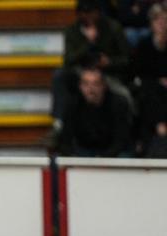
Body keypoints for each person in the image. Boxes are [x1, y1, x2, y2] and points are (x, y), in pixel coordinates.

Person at [51, 0, 131, 134]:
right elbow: (68, 61)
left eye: (90, 13)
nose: (87, 17)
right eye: (83, 13)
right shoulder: (72, 30)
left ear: (98, 12)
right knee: (60, 75)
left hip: (107, 73)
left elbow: (128, 59)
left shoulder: (113, 27)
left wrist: (109, 62)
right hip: (81, 73)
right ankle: (59, 123)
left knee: (125, 97)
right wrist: (88, 44)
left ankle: (128, 133)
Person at [58, 65, 133, 157]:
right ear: (80, 86)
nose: (90, 89)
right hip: (84, 150)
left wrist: (104, 157)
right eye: (86, 84)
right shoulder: (73, 104)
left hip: (114, 151)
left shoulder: (118, 103)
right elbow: (66, 137)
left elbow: (121, 138)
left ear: (103, 86)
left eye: (95, 84)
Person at [135, 3, 167, 157]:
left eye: (165, 20)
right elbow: (140, 73)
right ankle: (158, 129)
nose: (162, 24)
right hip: (151, 88)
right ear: (152, 24)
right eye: (158, 20)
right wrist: (159, 82)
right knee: (149, 92)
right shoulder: (145, 45)